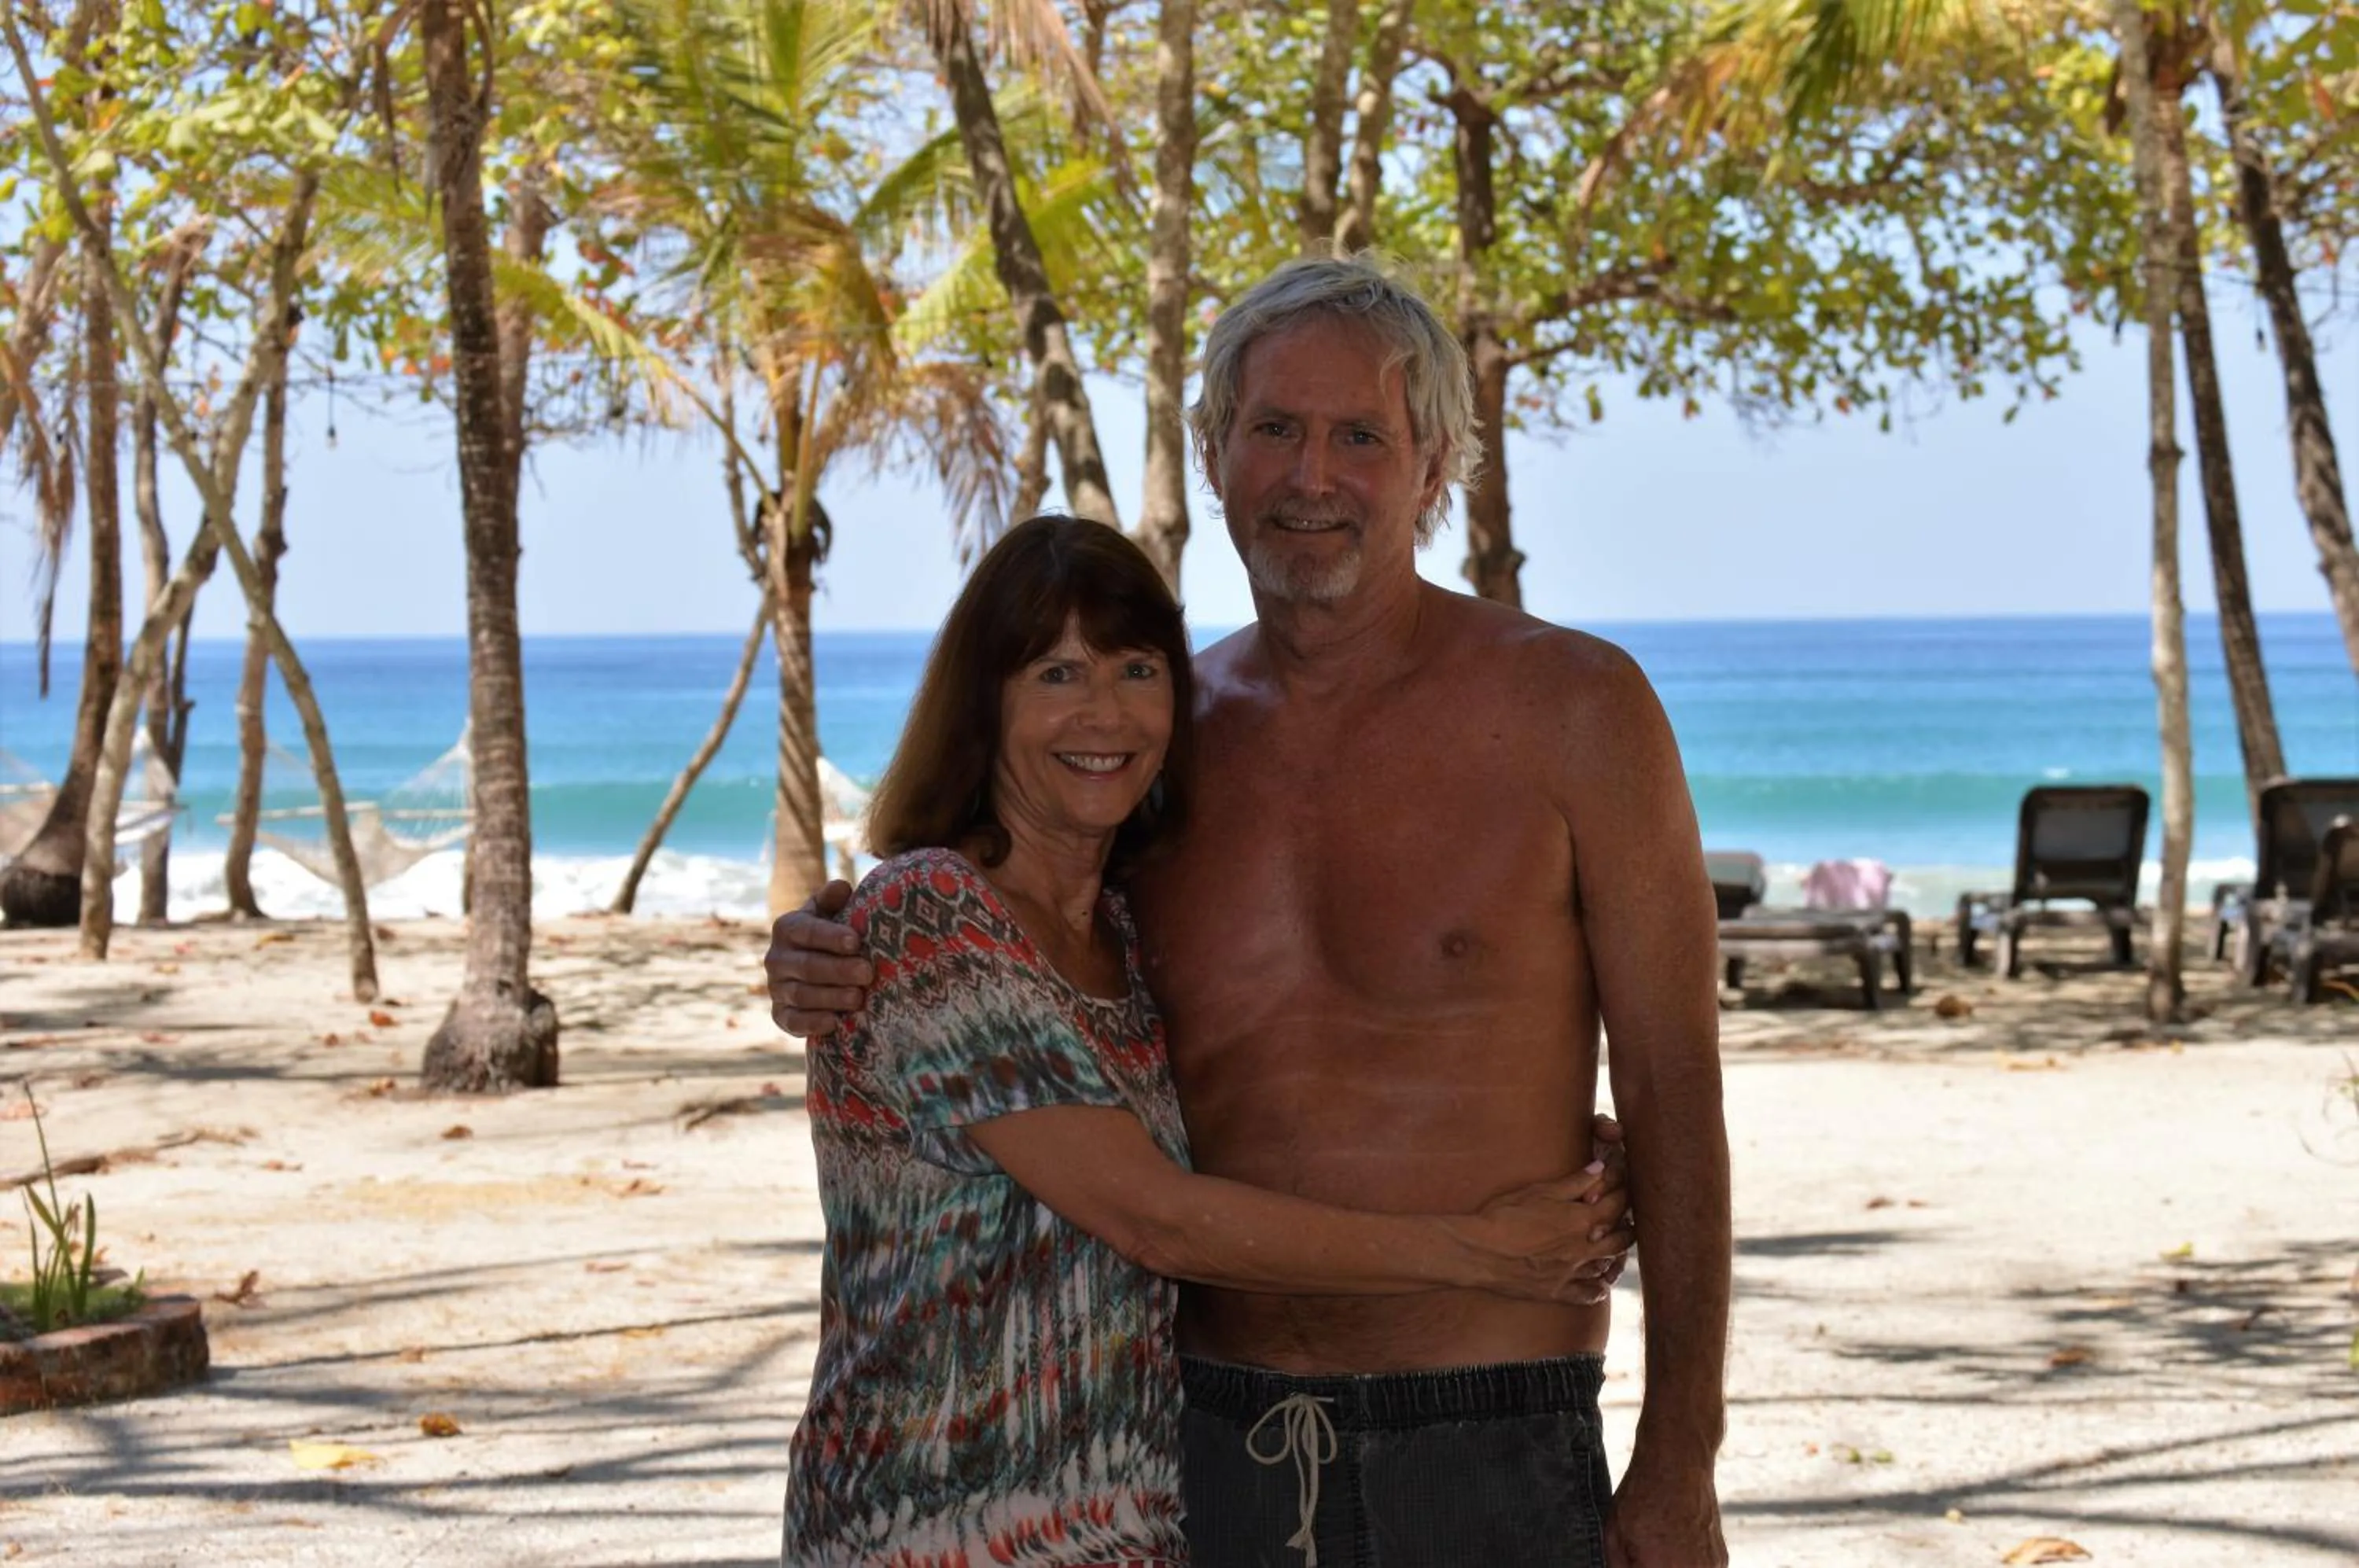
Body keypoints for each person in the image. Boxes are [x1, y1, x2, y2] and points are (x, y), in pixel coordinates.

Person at [772, 258, 1731, 1568]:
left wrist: (1682, 1453)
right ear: (1216, 456)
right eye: (1274, 427)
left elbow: (1676, 1087)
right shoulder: (1157, 749)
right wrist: (826, 947)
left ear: (1433, 466)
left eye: (1361, 436)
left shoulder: (1577, 710)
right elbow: (1005, 935)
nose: (1310, 475)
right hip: (1199, 1447)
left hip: (1488, 1429)